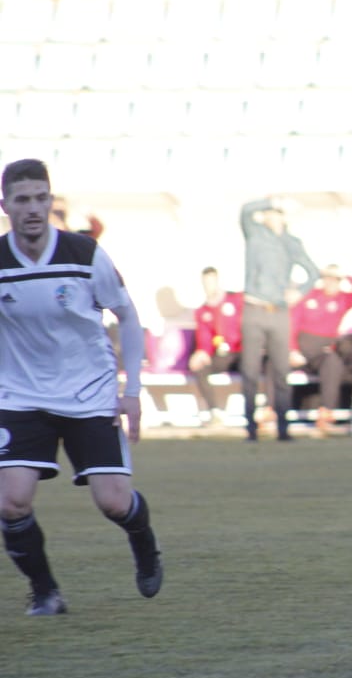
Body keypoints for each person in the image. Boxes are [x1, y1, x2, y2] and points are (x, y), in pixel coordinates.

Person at [0, 158, 162, 615]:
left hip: (89, 394)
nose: (33, 208)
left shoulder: (84, 254)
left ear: (50, 201)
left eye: (40, 198)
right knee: (11, 502)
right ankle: (46, 592)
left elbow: (128, 318)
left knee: (113, 503)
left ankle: (143, 540)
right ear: (6, 205)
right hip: (20, 397)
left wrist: (131, 393)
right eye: (22, 200)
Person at [239, 197, 320, 442]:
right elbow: (245, 210)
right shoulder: (255, 235)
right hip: (254, 308)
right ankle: (250, 428)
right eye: (270, 213)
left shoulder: (291, 243)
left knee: (281, 371)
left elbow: (312, 271)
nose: (273, 217)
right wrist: (271, 199)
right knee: (250, 371)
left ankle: (283, 427)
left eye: (277, 213)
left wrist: (300, 291)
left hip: (279, 311)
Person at [289, 265, 352, 429]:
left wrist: (347, 274)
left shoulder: (342, 299)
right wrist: (292, 349)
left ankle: (326, 411)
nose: (331, 284)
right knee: (273, 362)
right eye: (328, 279)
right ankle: (271, 409)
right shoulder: (310, 296)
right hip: (302, 346)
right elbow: (293, 322)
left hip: (323, 349)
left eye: (335, 280)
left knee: (332, 362)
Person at [188, 265, 243, 424]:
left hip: (240, 352)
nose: (209, 287)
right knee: (200, 368)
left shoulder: (235, 300)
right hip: (220, 356)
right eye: (206, 283)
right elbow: (204, 337)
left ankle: (259, 411)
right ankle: (215, 412)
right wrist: (202, 352)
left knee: (253, 364)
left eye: (212, 282)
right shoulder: (203, 311)